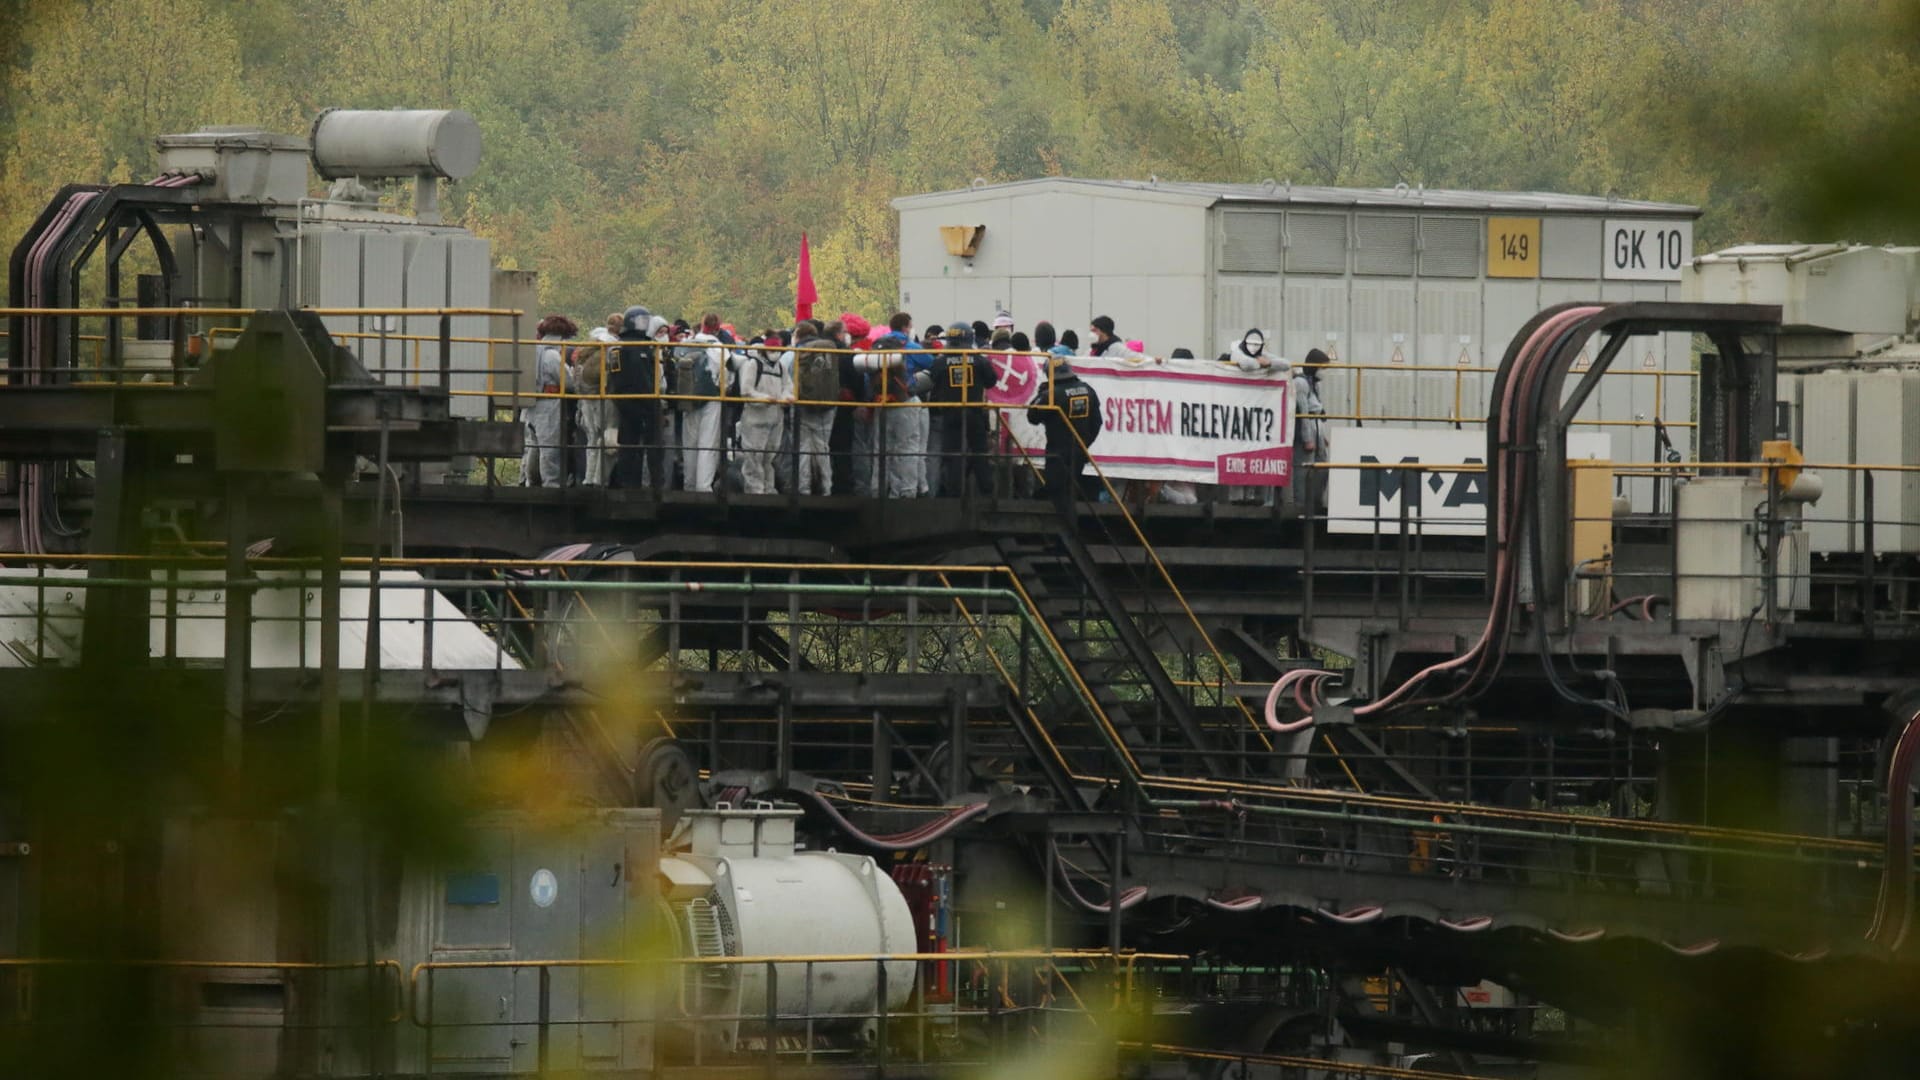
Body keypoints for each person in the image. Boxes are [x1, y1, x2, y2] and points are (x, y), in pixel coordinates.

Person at [1029, 356, 1103, 514]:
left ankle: (1067, 528)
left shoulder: (1051, 394)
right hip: (1079, 450)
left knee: (1057, 493)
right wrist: (1084, 443)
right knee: (1069, 488)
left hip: (1057, 452)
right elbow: (1097, 422)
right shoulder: (1088, 390)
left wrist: (1041, 392)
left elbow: (1032, 416)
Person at [934, 323, 998, 496]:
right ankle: (987, 490)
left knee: (952, 454)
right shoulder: (979, 360)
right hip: (974, 412)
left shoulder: (941, 362)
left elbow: (933, 380)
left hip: (950, 412)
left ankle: (954, 494)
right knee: (979, 452)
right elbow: (992, 381)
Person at [611, 306, 666, 489]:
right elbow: (629, 377)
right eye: (640, 320)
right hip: (634, 402)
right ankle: (629, 483)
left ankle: (651, 482)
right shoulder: (625, 347)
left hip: (640, 402)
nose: (644, 324)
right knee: (631, 445)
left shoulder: (642, 346)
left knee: (649, 446)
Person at [731, 333, 791, 494]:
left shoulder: (781, 367)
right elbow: (746, 390)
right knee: (753, 456)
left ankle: (768, 487)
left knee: (769, 456)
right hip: (755, 418)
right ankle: (754, 489)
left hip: (775, 417)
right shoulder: (753, 365)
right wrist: (764, 398)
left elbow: (787, 386)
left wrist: (786, 398)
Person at [524, 315, 577, 486]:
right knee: (549, 447)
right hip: (549, 403)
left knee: (533, 445)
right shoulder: (552, 355)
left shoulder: (533, 350)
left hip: (532, 404)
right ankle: (551, 484)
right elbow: (568, 381)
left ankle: (530, 481)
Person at [791, 319, 841, 494]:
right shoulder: (830, 348)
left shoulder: (797, 352)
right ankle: (827, 487)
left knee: (803, 448)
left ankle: (803, 488)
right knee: (822, 447)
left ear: (798, 335)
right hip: (828, 405)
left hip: (804, 404)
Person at [574, 314, 621, 486]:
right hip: (604, 396)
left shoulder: (591, 344)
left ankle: (588, 478)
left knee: (592, 438)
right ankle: (600, 479)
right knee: (607, 436)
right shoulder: (614, 345)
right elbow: (616, 371)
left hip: (587, 396)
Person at [679, 326, 726, 493]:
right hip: (712, 399)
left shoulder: (687, 345)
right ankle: (703, 487)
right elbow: (728, 373)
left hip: (688, 399)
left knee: (689, 444)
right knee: (708, 444)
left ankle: (689, 485)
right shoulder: (717, 347)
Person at [1293, 348, 1332, 509]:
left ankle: (1317, 500)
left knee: (1322, 466)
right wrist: (1307, 439)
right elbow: (1303, 411)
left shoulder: (1315, 384)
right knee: (1304, 468)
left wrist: (1321, 435)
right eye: (1322, 367)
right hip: (1307, 425)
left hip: (1317, 424)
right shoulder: (1301, 383)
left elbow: (1317, 406)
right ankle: (1301, 503)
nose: (1323, 372)